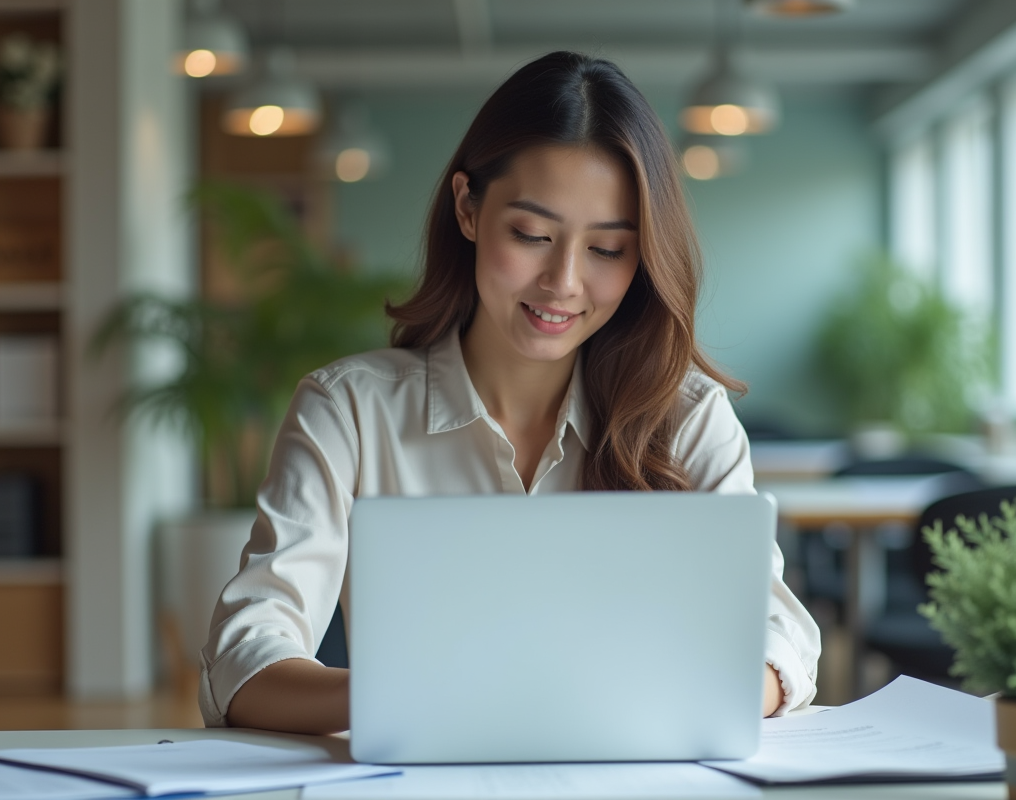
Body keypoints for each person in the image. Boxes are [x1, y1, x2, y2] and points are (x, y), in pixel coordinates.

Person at [199, 51, 821, 733]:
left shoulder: (688, 418)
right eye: (531, 235)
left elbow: (779, 638)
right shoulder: (347, 411)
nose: (563, 282)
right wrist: (411, 695)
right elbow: (245, 655)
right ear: (468, 208)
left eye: (607, 250)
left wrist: (684, 692)